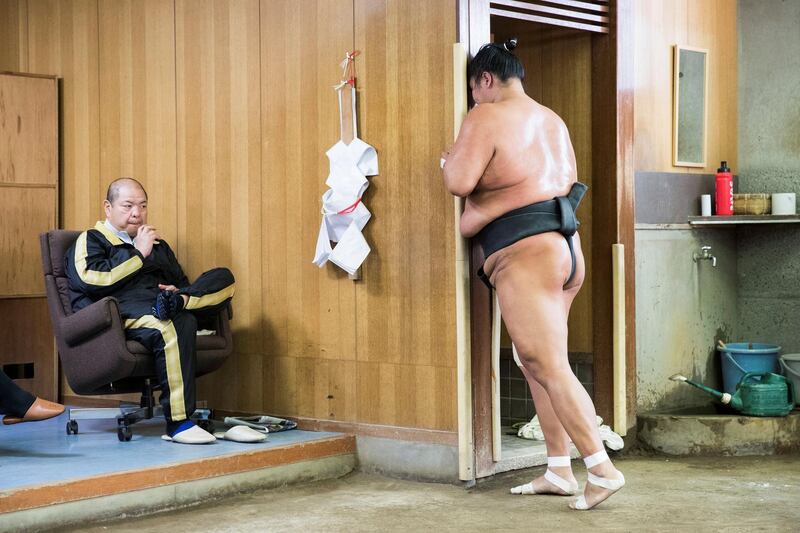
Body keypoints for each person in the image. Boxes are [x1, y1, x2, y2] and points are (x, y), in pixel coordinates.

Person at [441, 39, 624, 510]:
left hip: (527, 254)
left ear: (485, 80)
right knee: (535, 363)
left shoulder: (486, 115)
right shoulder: (552, 120)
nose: (472, 100)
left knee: (547, 364)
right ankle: (558, 469)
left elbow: (458, 181)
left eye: (473, 89)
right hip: (565, 248)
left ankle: (600, 468)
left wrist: (462, 180)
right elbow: (541, 186)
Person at [65, 178, 235, 445]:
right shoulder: (91, 239)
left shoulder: (158, 245)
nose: (137, 213)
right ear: (108, 208)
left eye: (142, 206)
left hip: (162, 303)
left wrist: (178, 292)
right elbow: (92, 279)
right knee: (171, 324)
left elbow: (181, 280)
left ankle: (180, 303)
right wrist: (138, 254)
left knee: (223, 278)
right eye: (128, 205)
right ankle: (179, 423)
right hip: (120, 312)